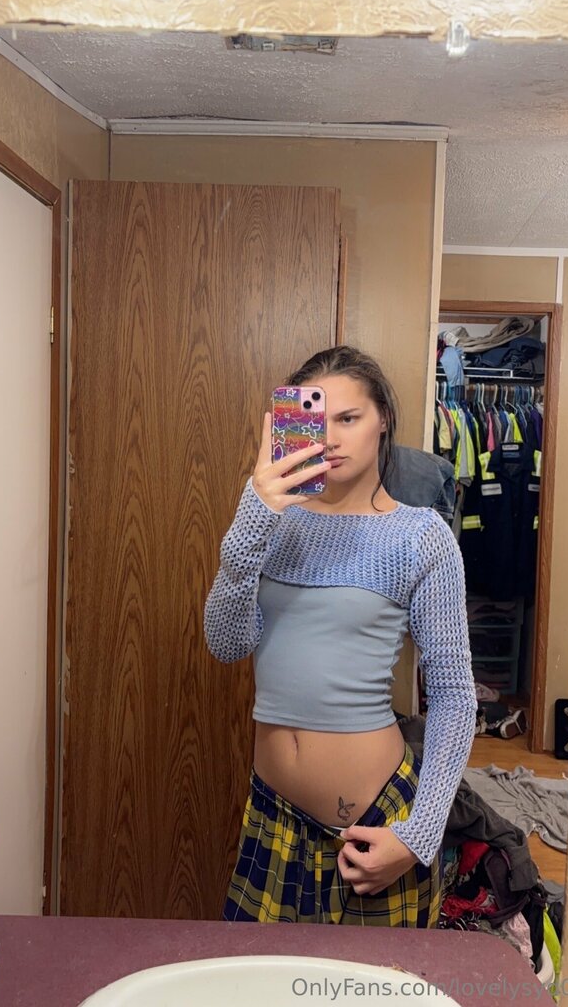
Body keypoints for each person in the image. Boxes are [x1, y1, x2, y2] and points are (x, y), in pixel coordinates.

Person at [204, 345, 477, 926]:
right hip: (272, 813)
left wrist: (419, 835)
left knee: (365, 977)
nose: (329, 438)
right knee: (257, 973)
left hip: (372, 827)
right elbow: (226, 644)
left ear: (383, 420)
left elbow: (454, 696)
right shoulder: (272, 519)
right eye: (316, 420)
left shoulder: (420, 537)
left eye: (348, 418)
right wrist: (252, 518)